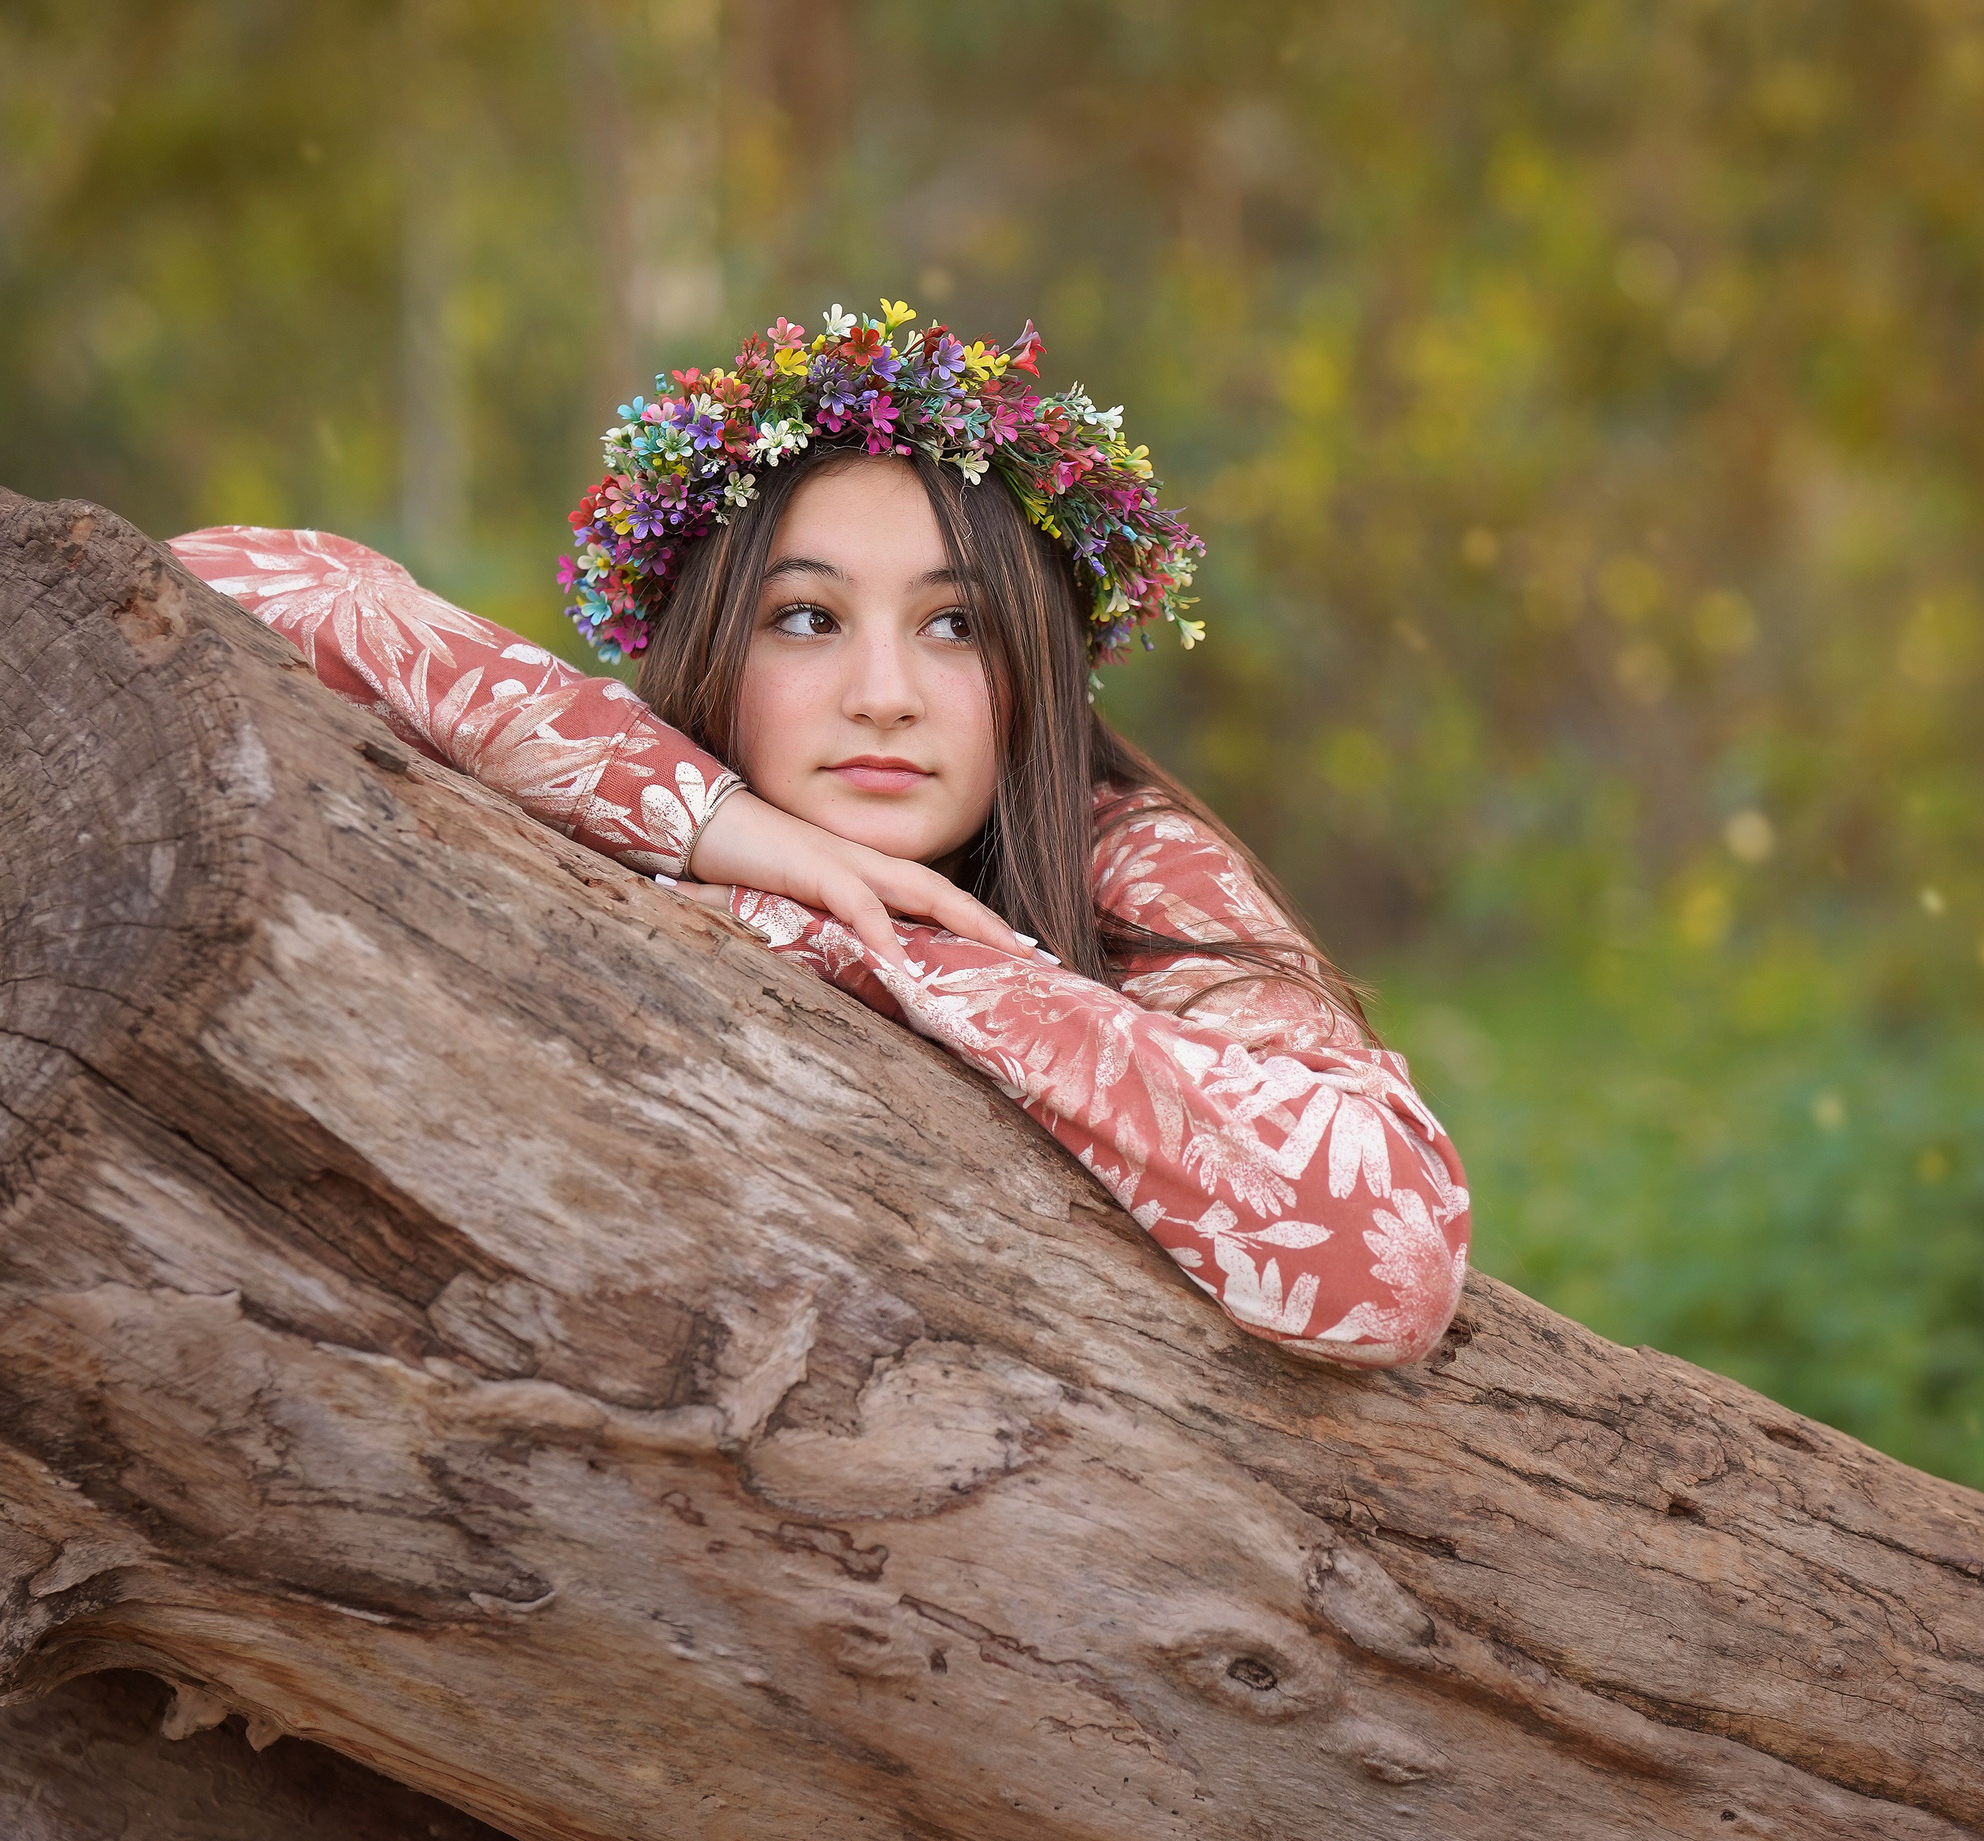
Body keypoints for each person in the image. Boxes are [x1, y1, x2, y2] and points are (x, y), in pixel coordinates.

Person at [170, 300, 1468, 1367]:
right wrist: (710, 825)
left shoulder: (1120, 851)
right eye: (806, 618)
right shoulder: (607, 767)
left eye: (956, 626)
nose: (884, 695)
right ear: (713, 647)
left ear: (1037, 668)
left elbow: (1385, 1255)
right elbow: (206, 579)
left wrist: (871, 940)